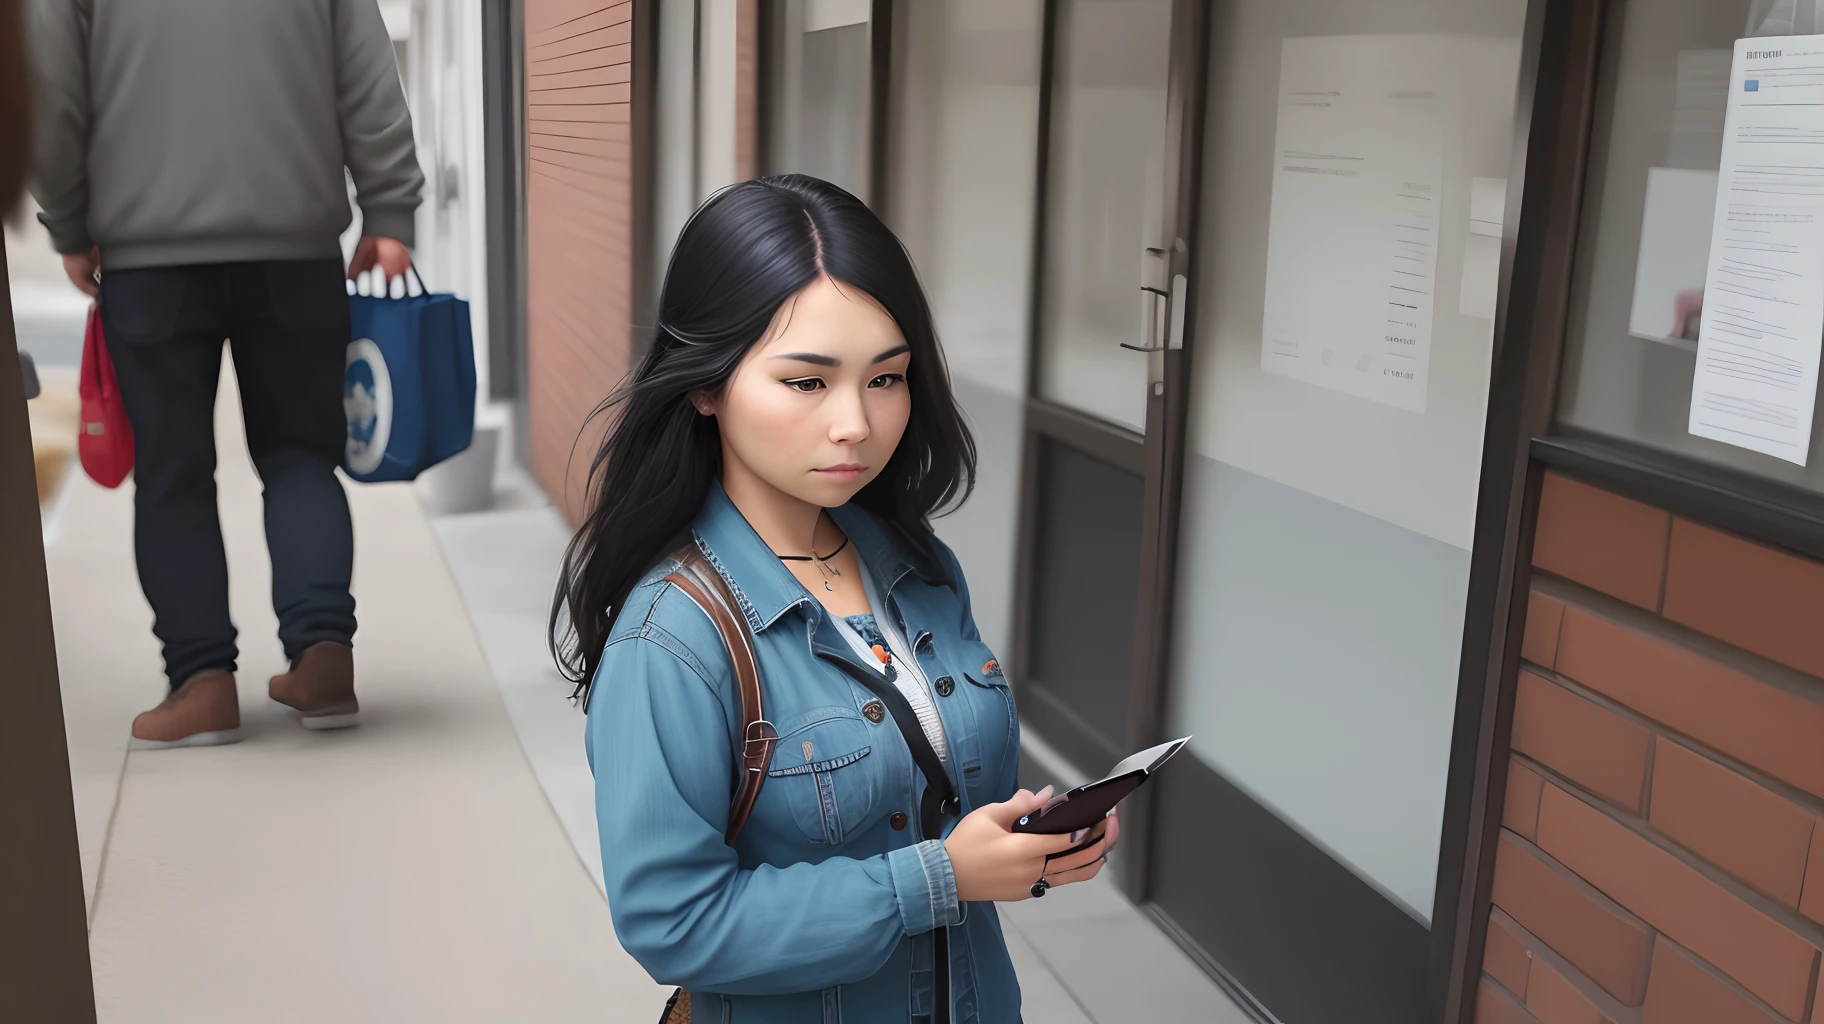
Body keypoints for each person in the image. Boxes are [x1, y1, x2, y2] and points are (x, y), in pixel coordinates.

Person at [551, 175, 1118, 1024]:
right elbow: (675, 924)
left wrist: (1032, 842)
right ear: (705, 386)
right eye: (807, 383)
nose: (856, 422)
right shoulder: (672, 639)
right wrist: (938, 879)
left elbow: (939, 797)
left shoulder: (918, 568)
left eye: (885, 378)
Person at [28, 0, 424, 747]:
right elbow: (367, 73)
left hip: (149, 258)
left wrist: (71, 225)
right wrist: (389, 208)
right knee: (302, 457)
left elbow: (53, 92)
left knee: (173, 473)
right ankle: (323, 659)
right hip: (295, 249)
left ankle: (203, 683)